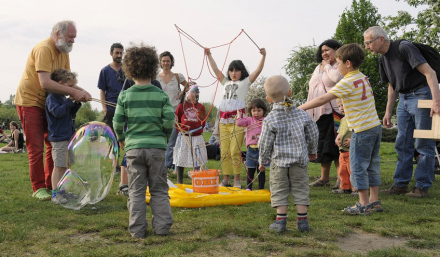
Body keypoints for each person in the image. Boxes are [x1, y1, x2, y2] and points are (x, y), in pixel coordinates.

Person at [299, 43, 383, 215]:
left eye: (338, 63)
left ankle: (363, 204)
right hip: (375, 127)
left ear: (348, 63)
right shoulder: (362, 77)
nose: (337, 66)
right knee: (372, 165)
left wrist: (299, 108)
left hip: (361, 130)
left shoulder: (347, 80)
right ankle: (374, 202)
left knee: (358, 166)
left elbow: (322, 99)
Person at [14, 20, 91, 201]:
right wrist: (74, 92)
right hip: (30, 101)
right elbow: (46, 83)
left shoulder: (63, 52)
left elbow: (67, 80)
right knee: (36, 148)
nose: (73, 41)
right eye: (70, 37)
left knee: (53, 144)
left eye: (74, 37)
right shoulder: (44, 49)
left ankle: (52, 185)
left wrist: (82, 92)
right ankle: (38, 187)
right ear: (58, 34)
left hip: (50, 102)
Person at [364, 26, 440, 198]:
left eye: (369, 43)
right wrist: (388, 112)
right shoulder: (382, 59)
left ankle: (422, 187)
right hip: (404, 100)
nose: (367, 47)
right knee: (402, 143)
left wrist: (436, 102)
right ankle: (400, 184)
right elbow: (392, 86)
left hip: (422, 95)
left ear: (381, 39)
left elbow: (430, 72)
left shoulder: (403, 47)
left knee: (423, 144)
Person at [113, 43, 174, 238]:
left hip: (133, 149)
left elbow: (117, 122)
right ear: (154, 68)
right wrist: (164, 137)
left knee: (136, 192)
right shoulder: (161, 95)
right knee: (159, 190)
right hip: (156, 149)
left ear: (129, 70)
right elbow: (170, 120)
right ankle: (162, 228)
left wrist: (122, 139)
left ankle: (137, 230)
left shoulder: (125, 95)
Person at [259, 75, 318, 232]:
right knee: (300, 189)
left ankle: (280, 222)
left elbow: (265, 142)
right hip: (299, 161)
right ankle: (303, 222)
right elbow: (313, 132)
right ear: (290, 93)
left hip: (279, 162)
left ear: (268, 99)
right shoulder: (301, 114)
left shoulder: (270, 119)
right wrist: (312, 150)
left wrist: (262, 159)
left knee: (279, 189)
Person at [206, 47, 266, 188]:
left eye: (237, 70)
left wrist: (263, 56)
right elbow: (215, 70)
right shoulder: (225, 82)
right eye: (231, 70)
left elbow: (258, 71)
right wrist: (209, 55)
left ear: (242, 72)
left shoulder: (245, 82)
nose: (233, 73)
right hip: (223, 121)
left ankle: (237, 179)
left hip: (237, 121)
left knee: (235, 151)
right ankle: (226, 179)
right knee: (224, 151)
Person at [306, 39, 344, 188]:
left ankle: (341, 178)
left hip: (335, 112)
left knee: (335, 146)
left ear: (337, 50)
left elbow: (337, 79)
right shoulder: (318, 68)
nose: (324, 53)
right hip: (320, 113)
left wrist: (327, 66)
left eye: (327, 50)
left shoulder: (339, 66)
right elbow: (312, 87)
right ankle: (324, 178)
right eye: (322, 51)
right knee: (323, 146)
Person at [45, 69, 82, 204]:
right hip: (59, 138)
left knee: (66, 165)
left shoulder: (62, 97)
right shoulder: (52, 98)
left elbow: (69, 114)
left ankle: (63, 191)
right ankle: (56, 194)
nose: (72, 90)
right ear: (60, 83)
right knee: (59, 166)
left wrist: (77, 103)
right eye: (70, 87)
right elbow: (57, 113)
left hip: (68, 136)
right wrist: (69, 100)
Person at [157, 51, 189, 171]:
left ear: (171, 62)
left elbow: (189, 86)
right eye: (164, 61)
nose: (166, 63)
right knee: (160, 140)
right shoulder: (155, 77)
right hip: (159, 112)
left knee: (171, 142)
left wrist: (183, 91)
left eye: (168, 61)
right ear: (160, 62)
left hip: (175, 112)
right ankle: (159, 164)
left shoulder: (177, 76)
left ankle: (167, 166)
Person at [173, 86, 207, 184]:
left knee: (197, 159)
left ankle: (196, 181)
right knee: (180, 158)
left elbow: (202, 122)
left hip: (196, 137)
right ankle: (180, 182)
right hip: (184, 136)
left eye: (193, 91)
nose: (191, 93)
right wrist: (180, 132)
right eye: (188, 91)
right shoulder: (181, 106)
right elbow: (177, 121)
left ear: (197, 94)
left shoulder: (201, 107)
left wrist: (198, 130)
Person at [236, 98, 268, 190]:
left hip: (262, 150)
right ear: (250, 111)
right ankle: (248, 187)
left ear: (263, 111)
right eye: (254, 111)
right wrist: (239, 115)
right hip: (251, 150)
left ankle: (261, 188)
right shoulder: (249, 120)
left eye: (259, 110)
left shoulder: (265, 120)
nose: (256, 113)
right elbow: (239, 123)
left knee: (261, 170)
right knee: (250, 170)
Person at [332, 98, 356, 194]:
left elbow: (357, 132)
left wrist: (352, 139)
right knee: (342, 170)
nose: (341, 108)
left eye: (343, 105)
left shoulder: (354, 118)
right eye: (339, 106)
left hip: (351, 150)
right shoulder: (342, 119)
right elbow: (340, 132)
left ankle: (356, 188)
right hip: (342, 151)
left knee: (352, 170)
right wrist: (337, 138)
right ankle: (345, 187)